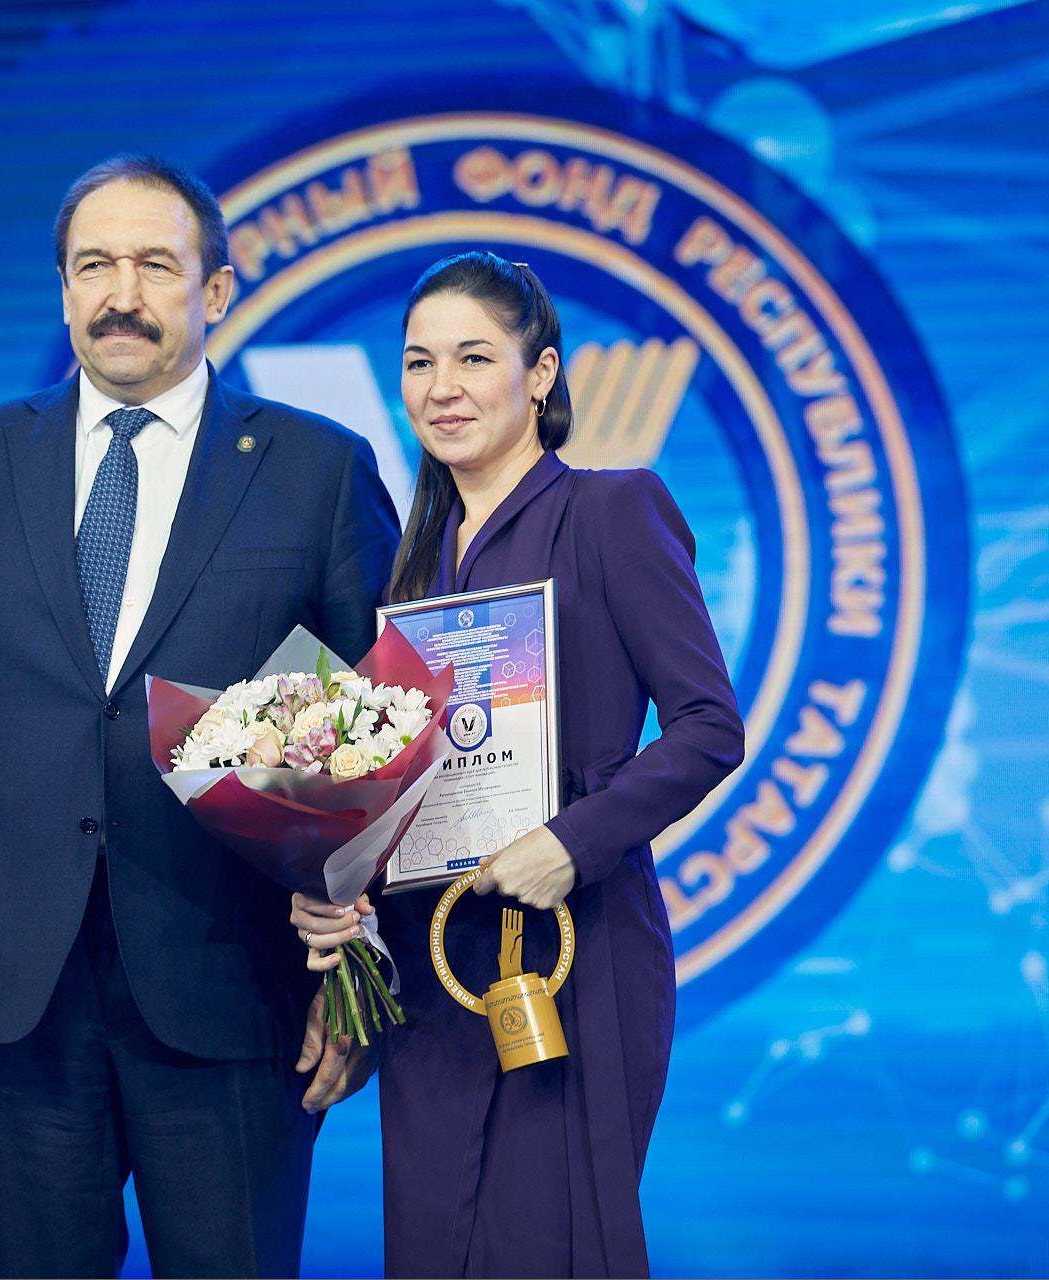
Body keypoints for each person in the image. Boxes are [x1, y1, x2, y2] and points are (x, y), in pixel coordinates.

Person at [0, 154, 399, 1279]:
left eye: (155, 265)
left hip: (238, 979)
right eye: (94, 266)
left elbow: (386, 732)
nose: (121, 295)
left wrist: (357, 966)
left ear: (218, 290)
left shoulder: (318, 468)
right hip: (5, 982)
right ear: (63, 291)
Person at [290, 251, 745, 1277]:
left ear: (540, 374)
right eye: (419, 363)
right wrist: (340, 894)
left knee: (553, 1245)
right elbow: (383, 782)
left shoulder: (612, 511)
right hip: (433, 964)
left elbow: (709, 725)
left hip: (575, 948)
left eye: (474, 358)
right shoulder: (406, 569)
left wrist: (571, 843)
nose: (441, 387)